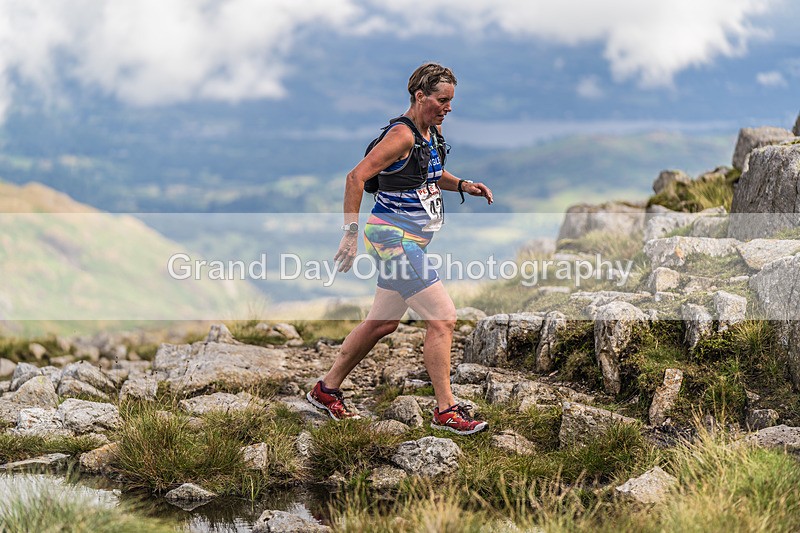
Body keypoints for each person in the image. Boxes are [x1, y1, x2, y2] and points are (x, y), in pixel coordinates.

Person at [306, 63, 494, 435]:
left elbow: (429, 174)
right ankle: (446, 411)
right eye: (442, 100)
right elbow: (356, 176)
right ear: (419, 96)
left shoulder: (430, 132)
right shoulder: (402, 136)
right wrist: (349, 233)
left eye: (451, 101)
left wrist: (464, 185)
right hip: (393, 239)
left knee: (382, 323)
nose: (448, 108)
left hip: (410, 240)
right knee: (442, 318)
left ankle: (326, 391)